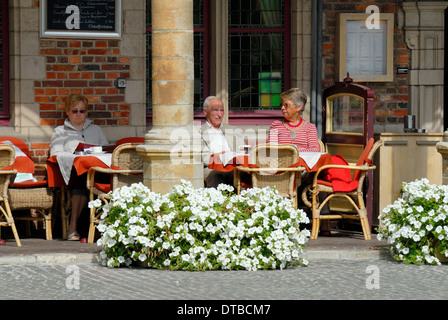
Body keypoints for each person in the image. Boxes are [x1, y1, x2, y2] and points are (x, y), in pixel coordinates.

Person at [268, 88, 330, 235]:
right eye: (282, 105)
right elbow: (271, 149)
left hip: (304, 172)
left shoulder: (309, 128)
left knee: (321, 177)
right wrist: (295, 151)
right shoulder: (275, 126)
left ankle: (324, 223)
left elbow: (315, 151)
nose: (282, 108)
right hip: (281, 171)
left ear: (299, 108)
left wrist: (293, 151)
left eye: (286, 105)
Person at [50, 94, 108, 241]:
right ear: (67, 112)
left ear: (86, 112)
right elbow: (55, 153)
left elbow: (106, 149)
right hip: (72, 172)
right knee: (81, 183)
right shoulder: (60, 131)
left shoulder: (96, 129)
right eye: (74, 111)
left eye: (82, 111)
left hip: (97, 171)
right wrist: (74, 155)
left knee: (107, 181)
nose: (78, 114)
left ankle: (100, 228)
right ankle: (73, 227)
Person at [201, 96, 241, 188]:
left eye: (222, 110)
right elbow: (202, 156)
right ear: (205, 111)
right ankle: (216, 201)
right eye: (215, 110)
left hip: (233, 166)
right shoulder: (199, 132)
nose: (219, 114)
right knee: (215, 174)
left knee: (244, 173)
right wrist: (221, 157)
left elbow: (242, 150)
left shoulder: (233, 130)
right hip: (212, 167)